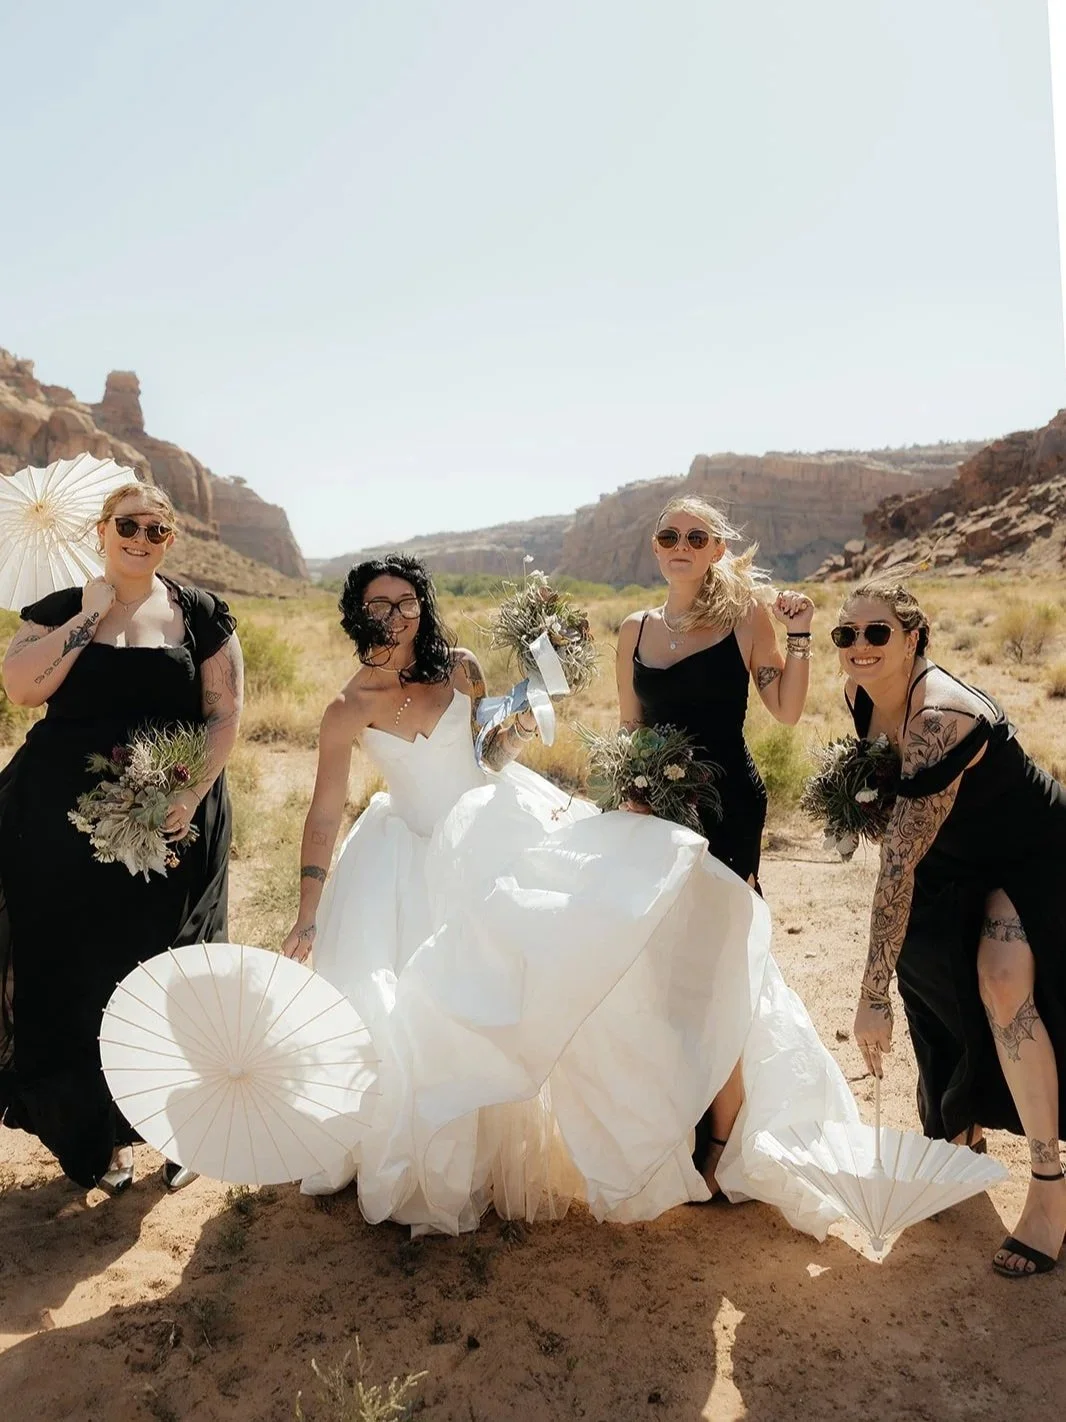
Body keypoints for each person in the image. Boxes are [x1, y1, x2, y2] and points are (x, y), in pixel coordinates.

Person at [280, 554, 857, 1238]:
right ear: (357, 613)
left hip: (493, 836)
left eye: (408, 602)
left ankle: (681, 1125)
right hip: (407, 861)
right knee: (425, 1009)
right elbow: (324, 813)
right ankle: (446, 1160)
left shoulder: (460, 669)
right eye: (380, 604)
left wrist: (534, 700)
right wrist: (308, 912)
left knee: (542, 985)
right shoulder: (345, 708)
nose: (396, 616)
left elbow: (491, 753)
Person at [0, 482, 243, 1193]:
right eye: (129, 525)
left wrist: (191, 793)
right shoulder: (56, 609)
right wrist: (91, 614)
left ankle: (180, 1128)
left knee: (172, 970)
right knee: (76, 974)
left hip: (173, 824)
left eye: (157, 529)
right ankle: (99, 1136)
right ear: (101, 530)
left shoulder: (200, 614)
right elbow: (23, 689)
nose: (142, 539)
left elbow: (225, 712)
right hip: (64, 826)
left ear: (171, 539)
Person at [841, 579, 1066, 1278]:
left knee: (1002, 983)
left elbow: (897, 867)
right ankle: (958, 1138)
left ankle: (1048, 1191)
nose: (859, 647)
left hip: (1032, 856)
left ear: (914, 637)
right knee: (930, 975)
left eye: (877, 632)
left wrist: (869, 996)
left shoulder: (941, 718)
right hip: (955, 860)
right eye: (846, 634)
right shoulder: (860, 695)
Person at [615, 495, 815, 1186]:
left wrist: (799, 636)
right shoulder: (634, 630)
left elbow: (786, 711)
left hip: (728, 811)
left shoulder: (745, 618)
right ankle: (681, 1115)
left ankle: (723, 1136)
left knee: (718, 967)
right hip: (658, 815)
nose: (681, 546)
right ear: (655, 545)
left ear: (716, 550)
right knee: (666, 967)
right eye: (669, 535)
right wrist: (630, 795)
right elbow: (630, 730)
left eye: (696, 538)